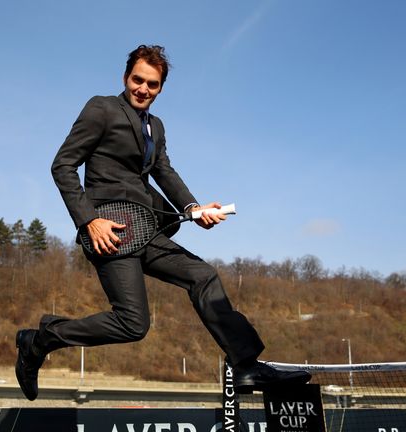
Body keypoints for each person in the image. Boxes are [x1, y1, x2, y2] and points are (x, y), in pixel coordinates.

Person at [15, 45, 310, 401]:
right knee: (133, 324)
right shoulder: (102, 108)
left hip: (147, 227)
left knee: (203, 276)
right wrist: (90, 220)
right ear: (125, 78)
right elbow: (62, 165)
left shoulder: (156, 126)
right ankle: (39, 340)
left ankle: (246, 364)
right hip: (111, 230)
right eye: (137, 80)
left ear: (160, 88)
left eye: (151, 84)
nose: (143, 89)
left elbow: (163, 171)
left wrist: (194, 208)